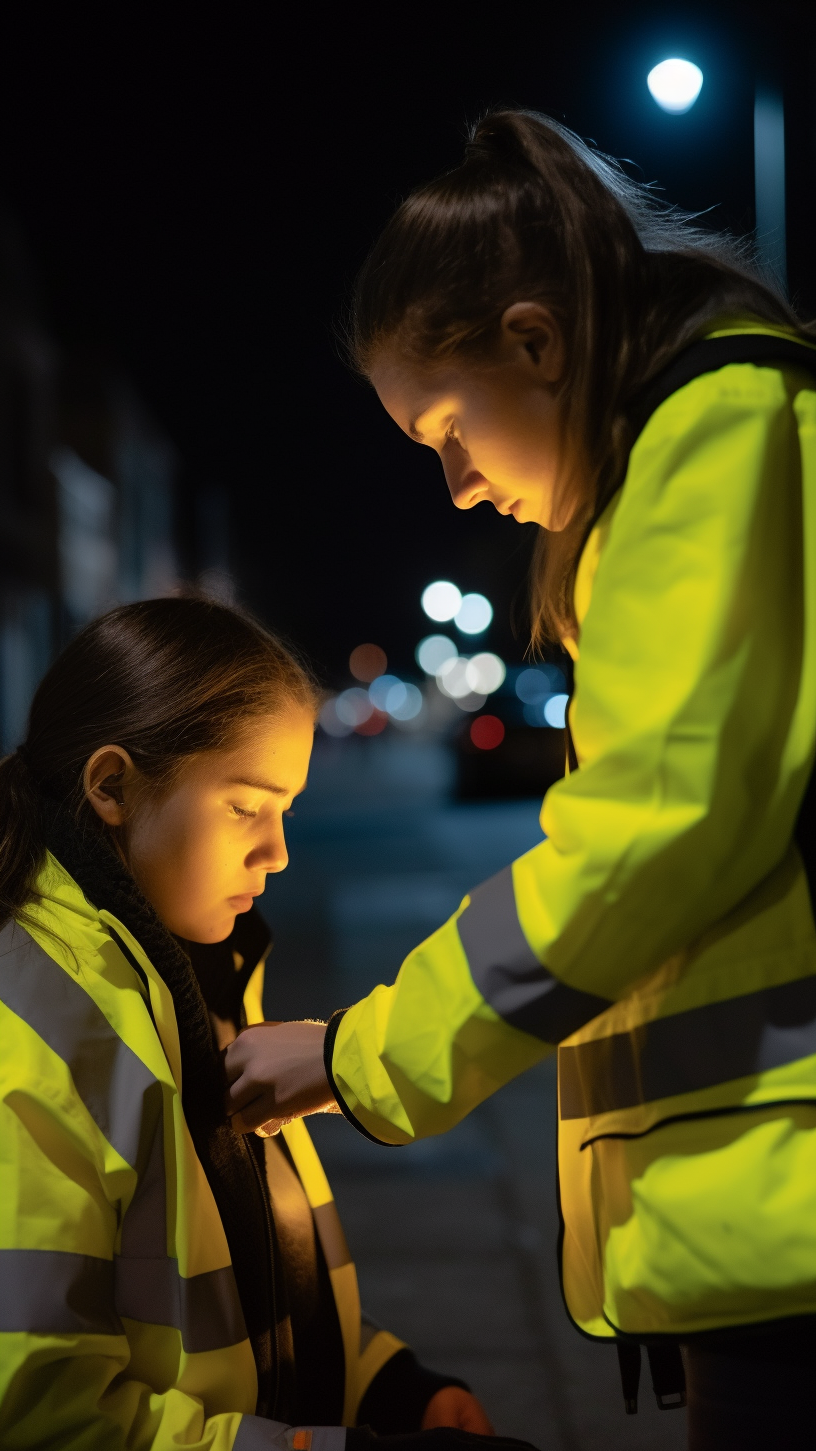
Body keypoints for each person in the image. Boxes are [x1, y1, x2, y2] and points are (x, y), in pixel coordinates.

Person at [223, 112, 816, 1448]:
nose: (453, 482)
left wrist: (356, 1054)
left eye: (447, 424)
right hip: (767, 1206)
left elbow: (653, 833)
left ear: (538, 344)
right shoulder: (695, 452)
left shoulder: (712, 435)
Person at [0, 597, 519, 1451]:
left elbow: (241, 1277)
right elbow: (42, 1414)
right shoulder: (42, 1025)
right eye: (247, 807)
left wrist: (381, 1381)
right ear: (112, 787)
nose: (277, 852)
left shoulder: (188, 974)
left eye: (286, 810)